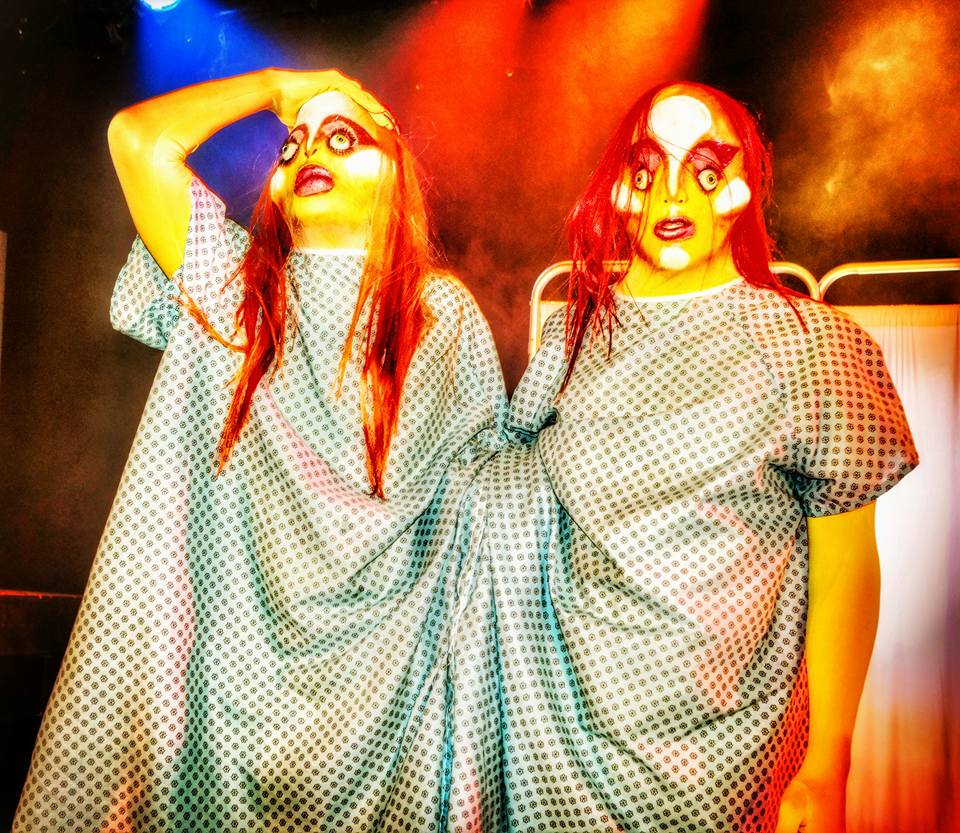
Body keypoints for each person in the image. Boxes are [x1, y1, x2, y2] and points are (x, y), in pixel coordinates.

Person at [14, 68, 505, 831]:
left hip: (387, 701)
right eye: (294, 144)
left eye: (343, 137)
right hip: (218, 694)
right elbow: (138, 140)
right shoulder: (234, 284)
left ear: (395, 176)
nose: (310, 151)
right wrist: (278, 86)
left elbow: (483, 497)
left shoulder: (441, 314)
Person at [446, 82, 918, 833]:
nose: (672, 193)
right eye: (646, 169)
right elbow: (499, 494)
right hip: (555, 743)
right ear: (618, 187)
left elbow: (845, 562)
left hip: (725, 758)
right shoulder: (573, 337)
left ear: (744, 183)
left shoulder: (812, 345)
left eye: (704, 168)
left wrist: (828, 762)